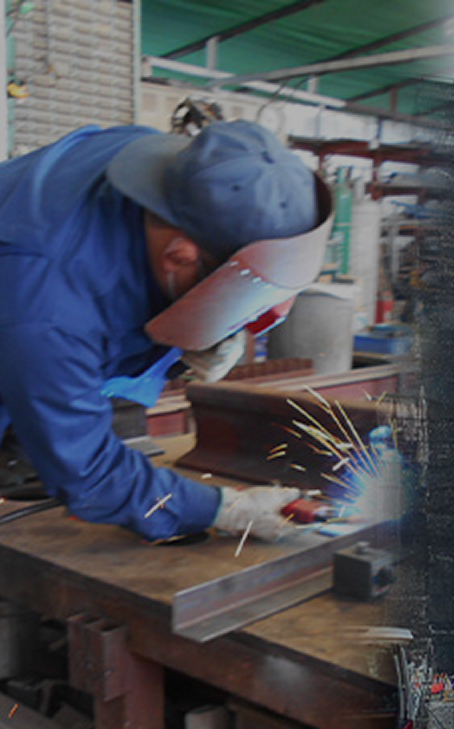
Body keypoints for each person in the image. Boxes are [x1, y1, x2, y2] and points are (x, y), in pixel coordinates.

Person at [0, 120, 332, 541]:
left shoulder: (168, 173)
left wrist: (209, 325)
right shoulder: (49, 306)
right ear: (180, 257)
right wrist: (223, 508)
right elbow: (88, 474)